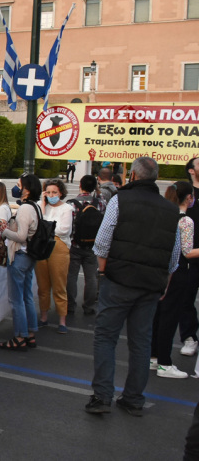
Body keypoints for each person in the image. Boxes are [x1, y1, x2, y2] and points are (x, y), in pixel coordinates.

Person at [85, 156, 180, 416]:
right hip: (151, 285)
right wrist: (165, 284)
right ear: (156, 178)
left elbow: (102, 241)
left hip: (119, 280)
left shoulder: (120, 200)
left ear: (134, 176)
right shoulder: (172, 210)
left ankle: (102, 397)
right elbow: (174, 256)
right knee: (141, 342)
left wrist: (103, 271)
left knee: (106, 337)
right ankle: (134, 398)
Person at [150, 181, 199, 379]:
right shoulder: (185, 221)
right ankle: (164, 363)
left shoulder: (161, 215)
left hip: (160, 270)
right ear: (189, 198)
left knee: (158, 316)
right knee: (170, 318)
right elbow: (187, 252)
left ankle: (154, 357)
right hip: (178, 272)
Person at [0, 174, 42, 351]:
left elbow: (21, 236)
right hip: (30, 256)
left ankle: (19, 336)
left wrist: (5, 231)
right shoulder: (36, 207)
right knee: (27, 296)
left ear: (27, 189)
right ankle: (30, 333)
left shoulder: (25, 209)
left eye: (19, 185)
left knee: (16, 299)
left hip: (20, 255)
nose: (16, 188)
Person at [36, 179, 74, 334]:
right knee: (42, 286)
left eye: (54, 192)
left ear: (61, 193)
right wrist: (43, 207)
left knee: (59, 285)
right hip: (41, 247)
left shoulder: (67, 208)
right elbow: (37, 224)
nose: (51, 195)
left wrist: (46, 226)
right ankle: (43, 317)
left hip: (59, 247)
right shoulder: (40, 206)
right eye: (48, 192)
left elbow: (64, 230)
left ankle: (62, 320)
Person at [67, 175, 105, 316]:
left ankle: (70, 306)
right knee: (91, 277)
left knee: (71, 276)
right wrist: (98, 191)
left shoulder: (72, 204)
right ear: (94, 186)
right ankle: (88, 307)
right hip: (92, 246)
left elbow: (69, 225)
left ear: (80, 185)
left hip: (75, 245)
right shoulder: (100, 203)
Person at [180, 157, 199, 358]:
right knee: (186, 299)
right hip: (190, 256)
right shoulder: (186, 194)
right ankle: (189, 338)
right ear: (191, 171)